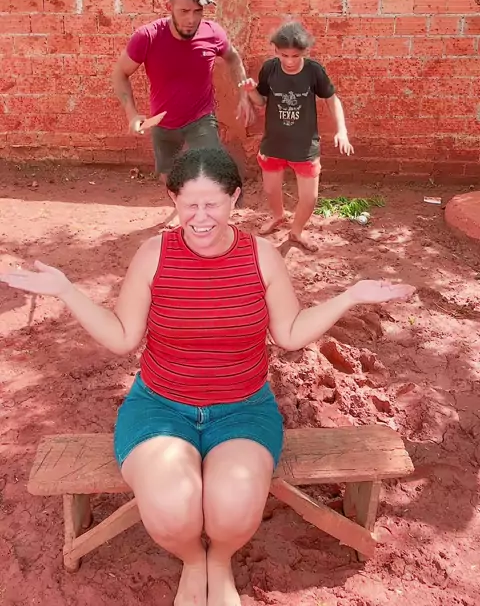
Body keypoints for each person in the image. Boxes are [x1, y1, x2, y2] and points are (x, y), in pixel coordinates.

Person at [0, 148, 415, 606]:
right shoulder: (153, 255)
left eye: (212, 204)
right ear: (173, 200)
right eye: (189, 205)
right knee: (172, 510)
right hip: (160, 408)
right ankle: (193, 561)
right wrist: (66, 290)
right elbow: (121, 338)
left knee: (233, 509)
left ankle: (219, 560)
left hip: (243, 409)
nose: (200, 217)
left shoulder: (262, 256)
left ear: (234, 198)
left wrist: (350, 296)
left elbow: (290, 334)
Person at [112, 0, 255, 180]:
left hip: (201, 120)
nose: (191, 19)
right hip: (163, 123)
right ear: (169, 7)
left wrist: (243, 95)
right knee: (171, 182)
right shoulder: (148, 37)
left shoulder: (212, 33)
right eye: (184, 11)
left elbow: (233, 58)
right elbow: (120, 73)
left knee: (212, 175)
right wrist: (132, 114)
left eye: (198, 11)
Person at [241, 21, 354, 252]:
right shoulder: (270, 68)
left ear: (305, 52)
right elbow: (261, 102)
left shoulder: (314, 71)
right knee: (271, 190)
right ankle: (278, 216)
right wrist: (251, 91)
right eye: (284, 55)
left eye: (295, 56)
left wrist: (342, 130)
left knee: (309, 198)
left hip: (304, 146)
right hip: (274, 143)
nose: (290, 61)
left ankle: (297, 231)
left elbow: (332, 99)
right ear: (275, 50)